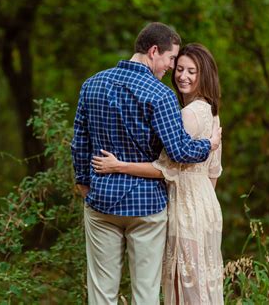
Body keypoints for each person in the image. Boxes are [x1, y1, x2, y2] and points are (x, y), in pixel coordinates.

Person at [71, 22, 222, 305]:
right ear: (154, 51)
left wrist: (84, 185)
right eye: (170, 59)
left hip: (101, 201)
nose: (170, 67)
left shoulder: (91, 85)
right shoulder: (160, 95)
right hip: (146, 207)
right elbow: (178, 151)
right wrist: (208, 145)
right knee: (146, 296)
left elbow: (80, 141)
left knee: (101, 294)